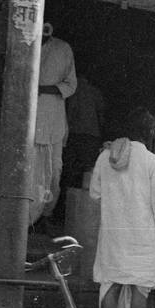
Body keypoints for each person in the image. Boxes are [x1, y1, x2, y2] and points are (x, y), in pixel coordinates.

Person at [90, 107, 155, 308]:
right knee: (140, 287)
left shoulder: (105, 157)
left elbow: (95, 193)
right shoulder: (153, 161)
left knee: (112, 283)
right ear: (150, 132)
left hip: (114, 233)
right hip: (143, 235)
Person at [32, 21, 77, 227]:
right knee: (31, 175)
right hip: (30, 125)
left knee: (53, 174)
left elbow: (70, 85)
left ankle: (45, 217)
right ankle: (27, 220)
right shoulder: (26, 42)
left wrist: (42, 89)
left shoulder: (63, 49)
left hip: (53, 123)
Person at [56, 73, 106, 222]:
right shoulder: (95, 92)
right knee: (88, 176)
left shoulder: (75, 91)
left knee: (69, 175)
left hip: (76, 135)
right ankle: (85, 217)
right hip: (91, 136)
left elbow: (70, 114)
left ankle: (64, 215)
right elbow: (101, 116)